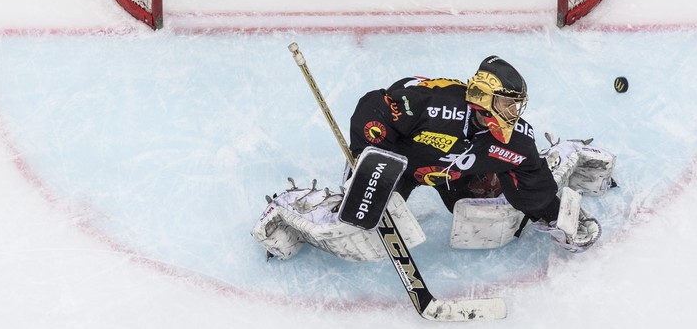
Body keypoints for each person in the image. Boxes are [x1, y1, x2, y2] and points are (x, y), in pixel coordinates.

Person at [252, 56, 616, 260]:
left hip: (450, 175)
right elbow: (374, 106)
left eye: (516, 104)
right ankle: (294, 211)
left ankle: (562, 157)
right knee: (360, 231)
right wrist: (371, 157)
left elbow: (529, 176)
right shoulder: (436, 102)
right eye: (506, 103)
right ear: (482, 97)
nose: (513, 112)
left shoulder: (515, 138)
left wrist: (551, 213)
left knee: (492, 221)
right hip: (399, 160)